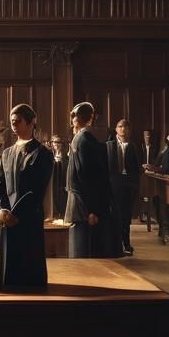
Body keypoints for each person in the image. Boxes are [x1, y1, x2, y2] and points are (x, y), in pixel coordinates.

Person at [0, 104, 53, 288]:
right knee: (9, 277)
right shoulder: (6, 153)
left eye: (18, 121)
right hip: (6, 216)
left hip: (28, 217)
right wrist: (2, 210)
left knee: (29, 273)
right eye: (12, 121)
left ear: (31, 122)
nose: (14, 125)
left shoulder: (42, 153)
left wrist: (17, 215)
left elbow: (37, 189)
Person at [65, 102, 116, 257]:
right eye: (73, 115)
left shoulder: (84, 139)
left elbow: (89, 177)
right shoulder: (81, 138)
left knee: (84, 250)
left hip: (83, 202)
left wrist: (92, 209)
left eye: (76, 115)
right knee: (80, 247)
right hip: (80, 200)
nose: (74, 118)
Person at [106, 118, 142, 256]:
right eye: (120, 126)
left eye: (126, 127)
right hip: (113, 185)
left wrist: (134, 184)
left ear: (129, 130)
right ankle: (114, 244)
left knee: (126, 216)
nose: (123, 129)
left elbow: (138, 168)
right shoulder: (109, 145)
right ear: (116, 129)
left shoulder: (133, 146)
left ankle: (126, 244)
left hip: (128, 186)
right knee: (114, 215)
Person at [50, 135, 68, 220]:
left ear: (62, 144)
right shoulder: (50, 156)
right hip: (53, 182)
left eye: (58, 142)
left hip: (62, 181)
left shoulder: (66, 157)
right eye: (54, 142)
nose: (56, 144)